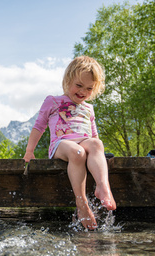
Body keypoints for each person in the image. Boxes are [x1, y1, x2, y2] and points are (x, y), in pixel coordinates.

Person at [23, 56, 116, 230]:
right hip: (61, 144)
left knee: (97, 144)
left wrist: (98, 157)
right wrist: (30, 151)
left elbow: (94, 135)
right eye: (79, 85)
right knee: (77, 152)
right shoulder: (53, 101)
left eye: (89, 88)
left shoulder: (89, 108)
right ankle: (82, 204)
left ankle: (103, 187)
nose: (83, 92)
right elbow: (39, 127)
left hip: (84, 142)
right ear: (67, 80)